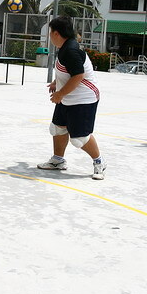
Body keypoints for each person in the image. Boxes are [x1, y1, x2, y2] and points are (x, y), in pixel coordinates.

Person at [37, 16, 105, 180]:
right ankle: (58, 161)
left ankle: (99, 163)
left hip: (83, 98)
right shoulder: (66, 47)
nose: (50, 36)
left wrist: (60, 94)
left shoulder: (71, 50)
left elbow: (78, 75)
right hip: (69, 96)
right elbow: (67, 72)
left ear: (57, 33)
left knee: (80, 137)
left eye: (50, 32)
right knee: (58, 128)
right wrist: (56, 83)